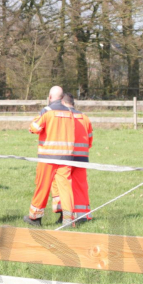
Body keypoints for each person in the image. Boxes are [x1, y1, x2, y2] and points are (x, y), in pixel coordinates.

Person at [23, 86, 79, 228]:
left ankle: (35, 217)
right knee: (65, 188)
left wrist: (38, 117)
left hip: (48, 157)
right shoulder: (70, 112)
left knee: (43, 186)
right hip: (66, 157)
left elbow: (33, 128)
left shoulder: (47, 112)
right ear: (61, 98)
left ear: (49, 97)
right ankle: (68, 219)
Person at [50, 92, 93, 223]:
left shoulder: (63, 117)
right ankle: (82, 217)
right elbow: (90, 139)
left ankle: (65, 216)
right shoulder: (84, 117)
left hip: (65, 157)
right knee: (80, 187)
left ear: (63, 102)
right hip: (82, 157)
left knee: (63, 187)